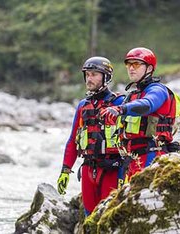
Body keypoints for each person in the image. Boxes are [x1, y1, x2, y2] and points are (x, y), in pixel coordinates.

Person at [100, 47, 180, 182]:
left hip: (152, 154)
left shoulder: (158, 90)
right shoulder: (133, 95)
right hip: (132, 158)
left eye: (136, 64)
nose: (131, 68)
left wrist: (121, 109)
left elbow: (148, 104)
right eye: (128, 64)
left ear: (149, 69)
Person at [57, 56, 125, 216]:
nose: (89, 78)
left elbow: (130, 138)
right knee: (90, 218)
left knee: (109, 217)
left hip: (113, 169)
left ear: (106, 77)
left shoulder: (120, 103)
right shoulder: (83, 105)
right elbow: (73, 140)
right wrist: (65, 170)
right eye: (87, 74)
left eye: (94, 74)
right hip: (88, 169)